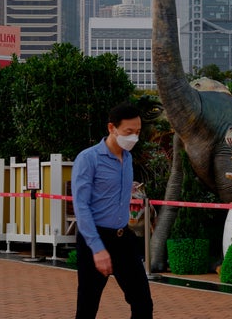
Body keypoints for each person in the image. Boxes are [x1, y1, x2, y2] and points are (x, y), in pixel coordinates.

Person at [72, 102, 153, 318]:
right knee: (88, 306)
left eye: (137, 132)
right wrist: (98, 249)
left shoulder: (127, 158)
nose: (134, 137)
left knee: (143, 302)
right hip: (94, 240)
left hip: (122, 238)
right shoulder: (88, 159)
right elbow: (81, 206)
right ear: (111, 128)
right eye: (129, 132)